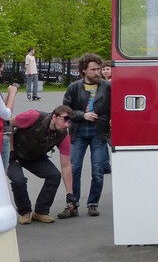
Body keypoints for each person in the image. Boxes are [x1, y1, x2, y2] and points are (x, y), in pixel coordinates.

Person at [59, 53, 111, 218]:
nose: (98, 72)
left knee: (97, 170)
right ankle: (72, 204)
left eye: (99, 69)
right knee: (74, 169)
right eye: (93, 69)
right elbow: (64, 111)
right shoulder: (74, 87)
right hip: (78, 131)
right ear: (83, 71)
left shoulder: (107, 87)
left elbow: (115, 107)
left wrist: (112, 120)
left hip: (99, 132)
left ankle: (93, 203)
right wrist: (82, 115)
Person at [8, 105, 73, 224]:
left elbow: (66, 165)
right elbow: (9, 125)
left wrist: (69, 193)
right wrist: (11, 150)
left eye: (70, 121)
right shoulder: (33, 116)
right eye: (65, 119)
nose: (67, 124)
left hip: (35, 157)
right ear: (54, 117)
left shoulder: (63, 135)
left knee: (54, 176)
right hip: (14, 153)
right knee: (19, 181)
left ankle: (41, 212)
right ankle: (25, 212)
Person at [0, 58, 20, 171]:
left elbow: (1, 107)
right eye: (1, 71)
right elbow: (6, 114)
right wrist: (12, 94)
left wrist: (8, 96)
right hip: (2, 135)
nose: (1, 74)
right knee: (2, 174)